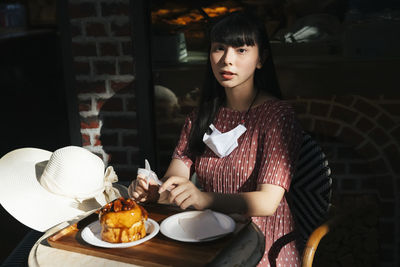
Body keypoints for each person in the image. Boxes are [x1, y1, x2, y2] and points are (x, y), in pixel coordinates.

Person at [129, 11, 303, 267]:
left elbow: (267, 202)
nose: (227, 60)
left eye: (241, 50)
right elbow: (175, 181)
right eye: (219, 48)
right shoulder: (200, 115)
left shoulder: (276, 115)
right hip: (210, 240)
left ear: (261, 59)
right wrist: (153, 191)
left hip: (263, 247)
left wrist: (204, 198)